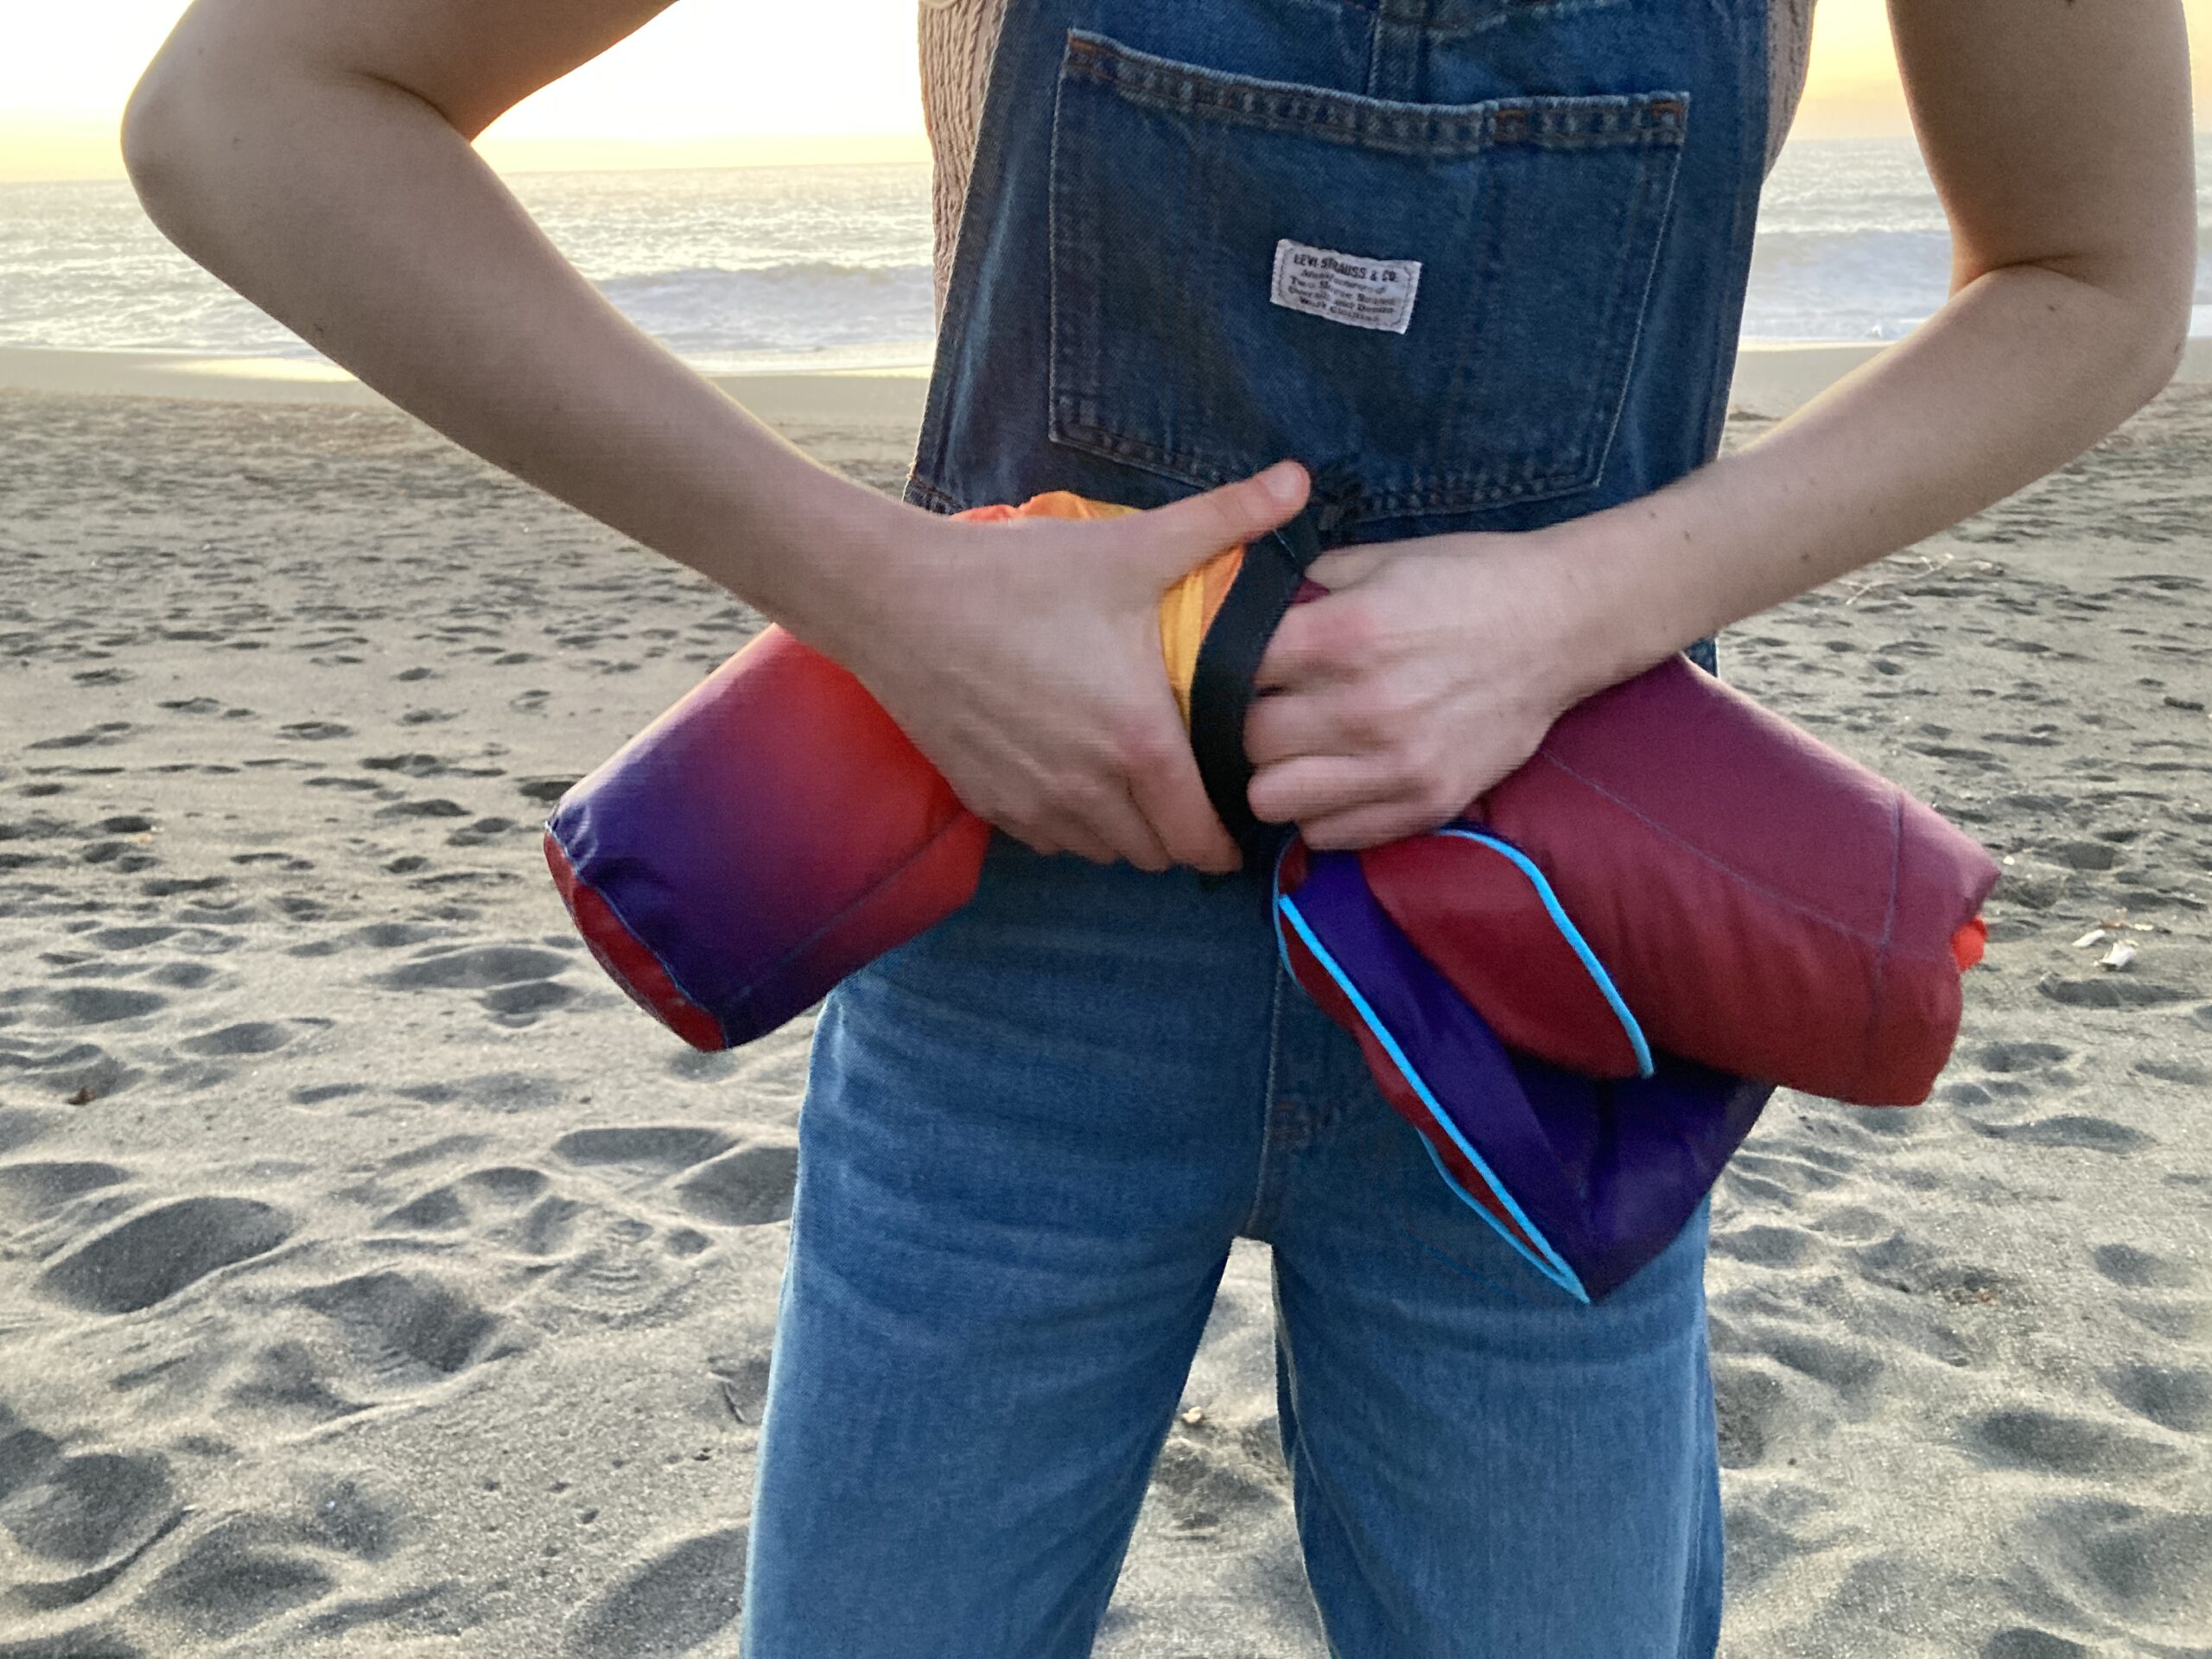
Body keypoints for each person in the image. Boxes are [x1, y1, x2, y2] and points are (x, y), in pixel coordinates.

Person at [121, 1, 2194, 1653]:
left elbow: (2091, 276)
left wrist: (1588, 598)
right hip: (1015, 979)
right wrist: (883, 588)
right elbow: (250, 107)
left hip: (1552, 983)